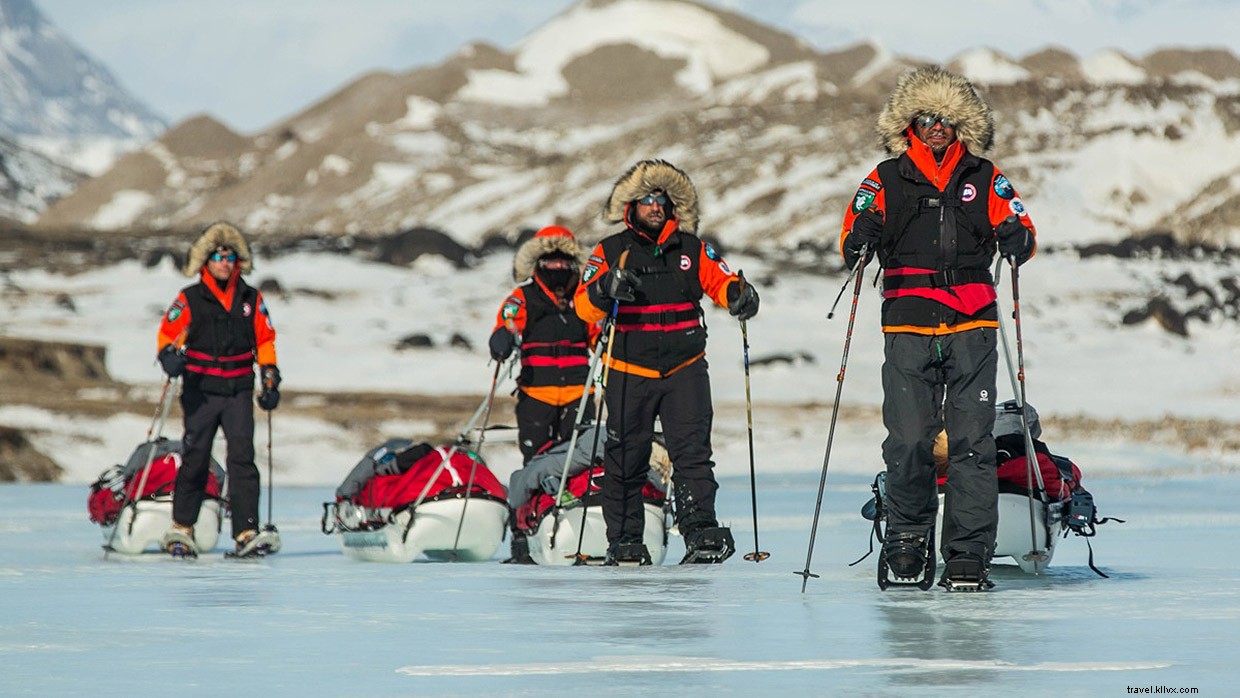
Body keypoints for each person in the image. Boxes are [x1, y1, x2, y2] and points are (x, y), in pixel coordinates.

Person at [838, 66, 1037, 590]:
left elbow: (1024, 229)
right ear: (910, 124)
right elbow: (848, 243)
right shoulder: (883, 178)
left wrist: (1018, 238)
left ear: (962, 126)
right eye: (927, 118)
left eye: (947, 119)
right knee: (907, 440)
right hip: (906, 323)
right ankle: (907, 541)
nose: (937, 127)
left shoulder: (986, 176)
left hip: (973, 323)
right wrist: (860, 236)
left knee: (973, 441)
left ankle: (969, 552)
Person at [575, 159, 760, 565]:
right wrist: (607, 286)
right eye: (647, 199)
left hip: (685, 368)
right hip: (628, 371)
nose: (655, 206)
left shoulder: (693, 249)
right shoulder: (610, 250)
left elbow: (722, 280)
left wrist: (739, 295)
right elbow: (584, 307)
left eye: (662, 199)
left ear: (673, 206)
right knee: (626, 457)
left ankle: (700, 533)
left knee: (692, 454)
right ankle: (624, 540)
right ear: (631, 206)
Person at [156, 221, 282, 558]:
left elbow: (265, 339)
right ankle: (182, 527)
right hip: (200, 390)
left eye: (230, 257)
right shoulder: (190, 298)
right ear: (205, 261)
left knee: (242, 459)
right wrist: (168, 357)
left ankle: (246, 530)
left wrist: (270, 376)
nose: (225, 262)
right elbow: (168, 334)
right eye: (218, 256)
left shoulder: (251, 299)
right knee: (195, 457)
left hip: (239, 388)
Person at [488, 225, 600, 564]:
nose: (557, 267)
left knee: (579, 464)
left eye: (564, 260)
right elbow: (505, 324)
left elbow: (599, 334)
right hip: (536, 395)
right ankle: (522, 537)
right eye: (549, 260)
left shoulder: (584, 297)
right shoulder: (522, 297)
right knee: (534, 466)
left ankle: (574, 528)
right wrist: (501, 340)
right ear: (537, 262)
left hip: (579, 396)